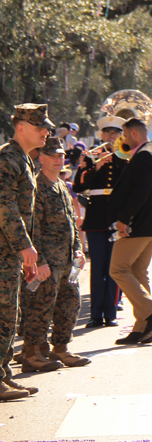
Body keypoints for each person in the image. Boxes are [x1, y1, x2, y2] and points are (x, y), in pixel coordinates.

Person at [20, 137, 90, 372]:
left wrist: (78, 249)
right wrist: (39, 261)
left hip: (67, 262)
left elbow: (71, 222)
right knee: (40, 306)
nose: (59, 159)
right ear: (42, 158)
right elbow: (33, 227)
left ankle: (60, 348)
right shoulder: (36, 188)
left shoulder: (61, 186)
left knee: (69, 303)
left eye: (61, 155)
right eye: (54, 155)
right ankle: (32, 353)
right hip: (47, 262)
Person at [0, 104, 52, 400]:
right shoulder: (7, 158)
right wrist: (23, 245)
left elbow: (25, 212)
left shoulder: (24, 159)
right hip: (4, 249)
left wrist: (27, 256)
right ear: (20, 127)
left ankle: (4, 375)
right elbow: (4, 206)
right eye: (38, 127)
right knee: (2, 314)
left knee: (9, 315)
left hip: (10, 253)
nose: (45, 132)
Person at [108, 118, 152, 344]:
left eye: (125, 135)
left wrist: (123, 219)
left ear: (134, 133)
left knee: (117, 269)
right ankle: (143, 328)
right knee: (137, 271)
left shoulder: (144, 155)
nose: (123, 140)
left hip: (140, 223)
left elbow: (141, 192)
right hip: (151, 223)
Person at [73, 115, 128, 328]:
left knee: (113, 267)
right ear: (101, 134)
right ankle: (96, 314)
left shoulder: (125, 154)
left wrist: (115, 158)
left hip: (116, 217)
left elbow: (130, 182)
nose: (111, 136)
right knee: (97, 268)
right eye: (108, 132)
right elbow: (78, 185)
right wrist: (96, 166)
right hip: (96, 217)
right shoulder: (90, 155)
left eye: (115, 133)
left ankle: (111, 313)